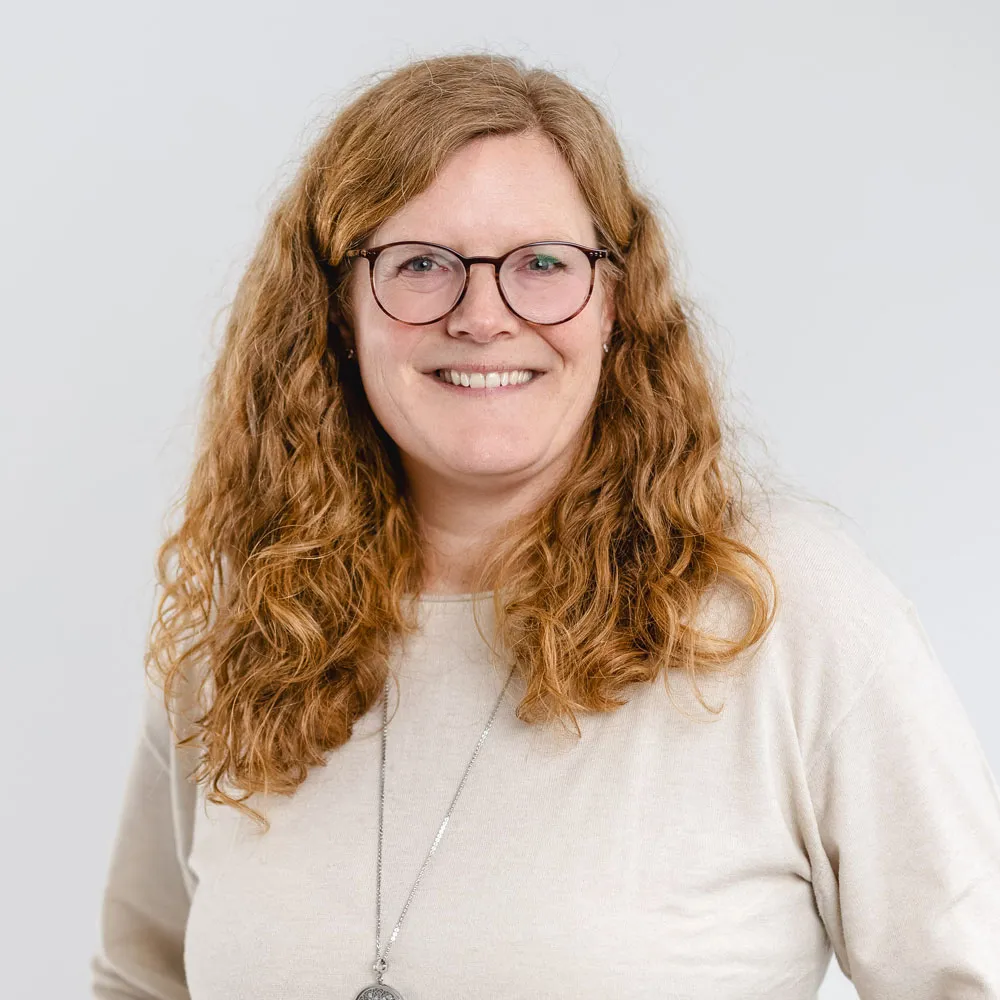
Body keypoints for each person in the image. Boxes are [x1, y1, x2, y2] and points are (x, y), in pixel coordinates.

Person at [90, 53, 1000, 1000]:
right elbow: (142, 982)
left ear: (615, 303)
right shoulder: (243, 632)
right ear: (339, 311)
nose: (483, 316)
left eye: (542, 264)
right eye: (421, 264)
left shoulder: (783, 608)